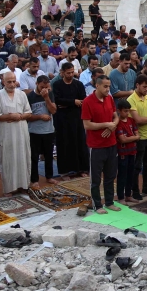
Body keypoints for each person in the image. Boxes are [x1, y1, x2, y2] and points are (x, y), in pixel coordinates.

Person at [83, 74, 120, 213]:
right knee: (96, 177)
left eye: (109, 86)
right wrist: (106, 124)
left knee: (110, 175)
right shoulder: (88, 101)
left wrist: (113, 125)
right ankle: (97, 204)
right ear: (97, 85)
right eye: (105, 86)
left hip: (111, 143)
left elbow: (115, 116)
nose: (107, 89)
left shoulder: (109, 98)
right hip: (96, 145)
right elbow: (87, 125)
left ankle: (109, 202)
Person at [0, 71, 32, 194]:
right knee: (8, 158)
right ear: (3, 82)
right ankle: (10, 188)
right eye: (8, 82)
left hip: (21, 131)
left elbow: (28, 112)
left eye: (13, 81)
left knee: (23, 156)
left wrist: (19, 116)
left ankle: (24, 185)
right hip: (6, 133)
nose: (12, 84)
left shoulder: (22, 94)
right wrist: (9, 116)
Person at [52, 62, 89, 177]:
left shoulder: (78, 84)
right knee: (64, 144)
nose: (71, 75)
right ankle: (64, 172)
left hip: (77, 118)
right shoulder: (57, 84)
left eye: (72, 72)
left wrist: (68, 103)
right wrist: (73, 102)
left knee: (80, 143)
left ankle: (82, 169)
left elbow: (83, 100)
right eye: (68, 73)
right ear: (62, 73)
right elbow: (57, 100)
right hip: (62, 119)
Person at [127, 74, 147, 197]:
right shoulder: (131, 100)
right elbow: (137, 120)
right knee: (137, 166)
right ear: (137, 85)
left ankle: (146, 188)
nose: (146, 90)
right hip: (139, 137)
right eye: (144, 87)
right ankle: (135, 191)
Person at [27, 75, 58, 188]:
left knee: (49, 155)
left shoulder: (49, 94)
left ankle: (49, 176)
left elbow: (53, 111)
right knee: (34, 156)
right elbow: (27, 115)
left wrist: (46, 98)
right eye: (42, 87)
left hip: (48, 130)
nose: (44, 89)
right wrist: (40, 116)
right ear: (36, 84)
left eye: (46, 87)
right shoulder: (30, 96)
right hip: (34, 131)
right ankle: (34, 179)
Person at [114, 99, 140, 203]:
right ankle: (120, 197)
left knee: (131, 174)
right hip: (122, 153)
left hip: (132, 151)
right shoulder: (118, 123)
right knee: (122, 175)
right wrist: (133, 137)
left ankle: (128, 195)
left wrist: (130, 137)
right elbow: (122, 139)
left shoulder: (131, 121)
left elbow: (138, 135)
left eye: (128, 110)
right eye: (125, 111)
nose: (127, 113)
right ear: (119, 110)